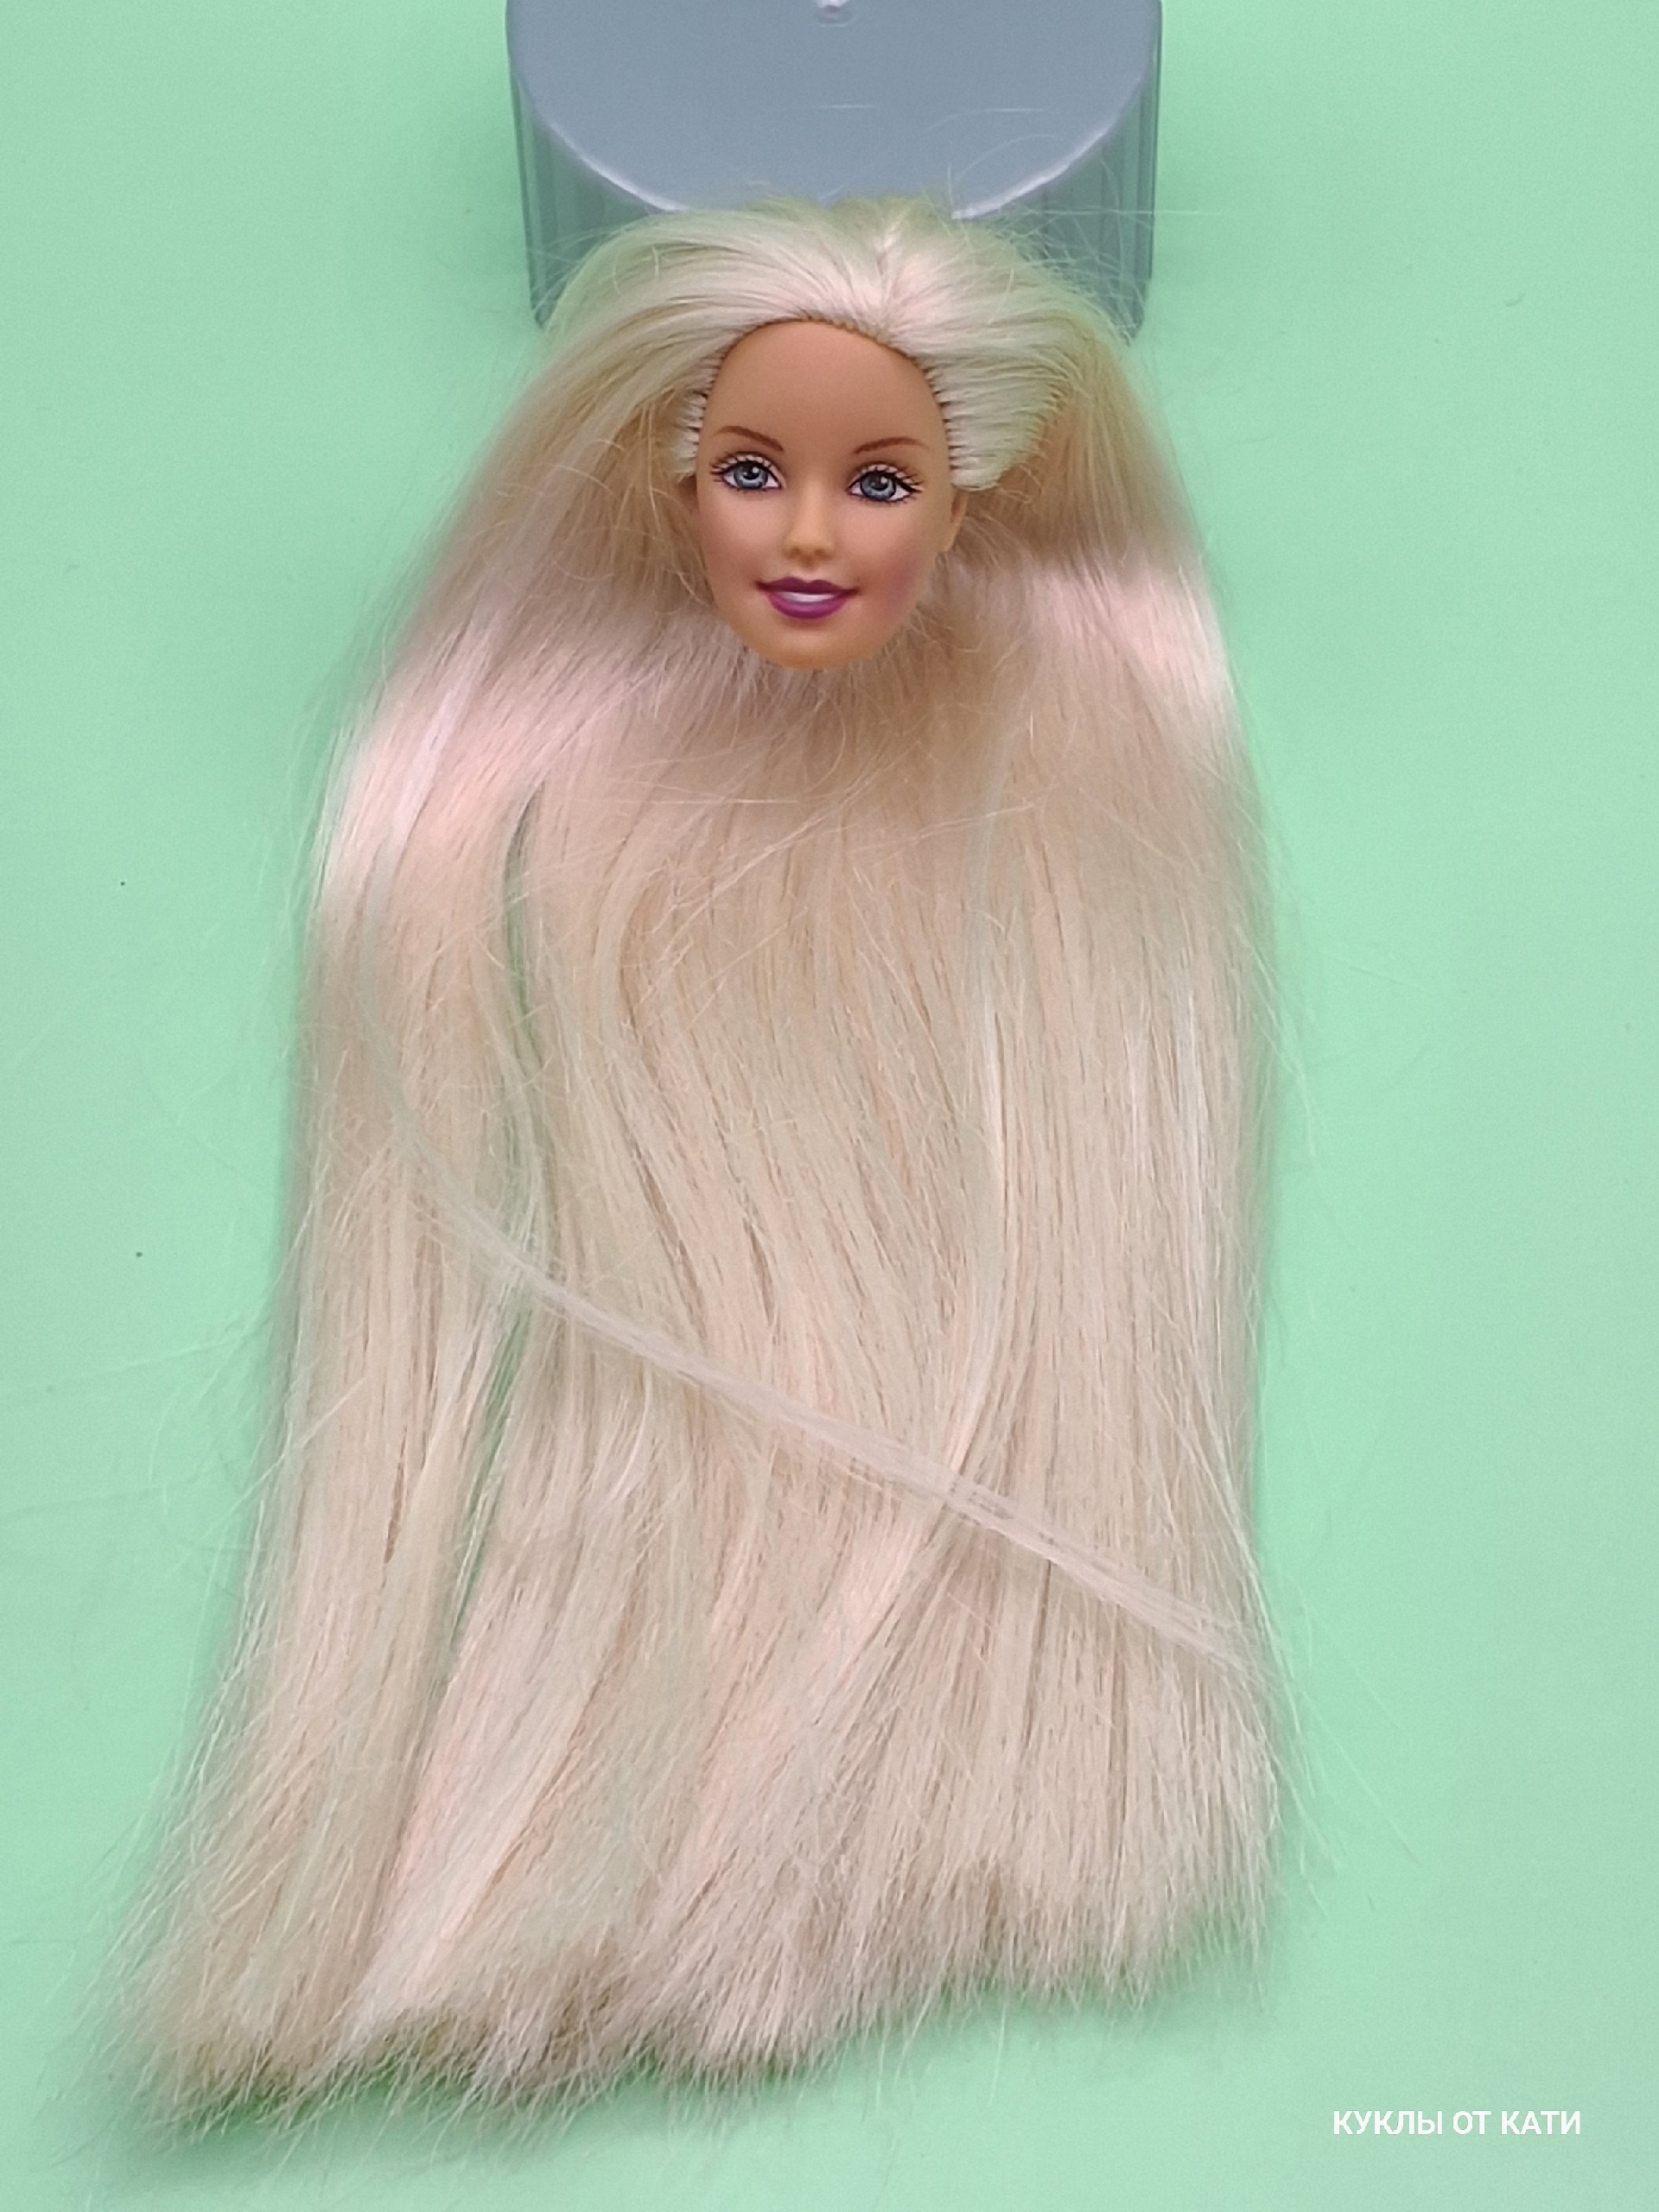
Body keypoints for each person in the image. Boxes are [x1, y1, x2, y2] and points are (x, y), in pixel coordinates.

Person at [136, 195, 1273, 2104]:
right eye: (753, 472)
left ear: (974, 510)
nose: (810, 532)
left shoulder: (1079, 921)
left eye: (879, 482)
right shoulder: (495, 881)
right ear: (668, 487)